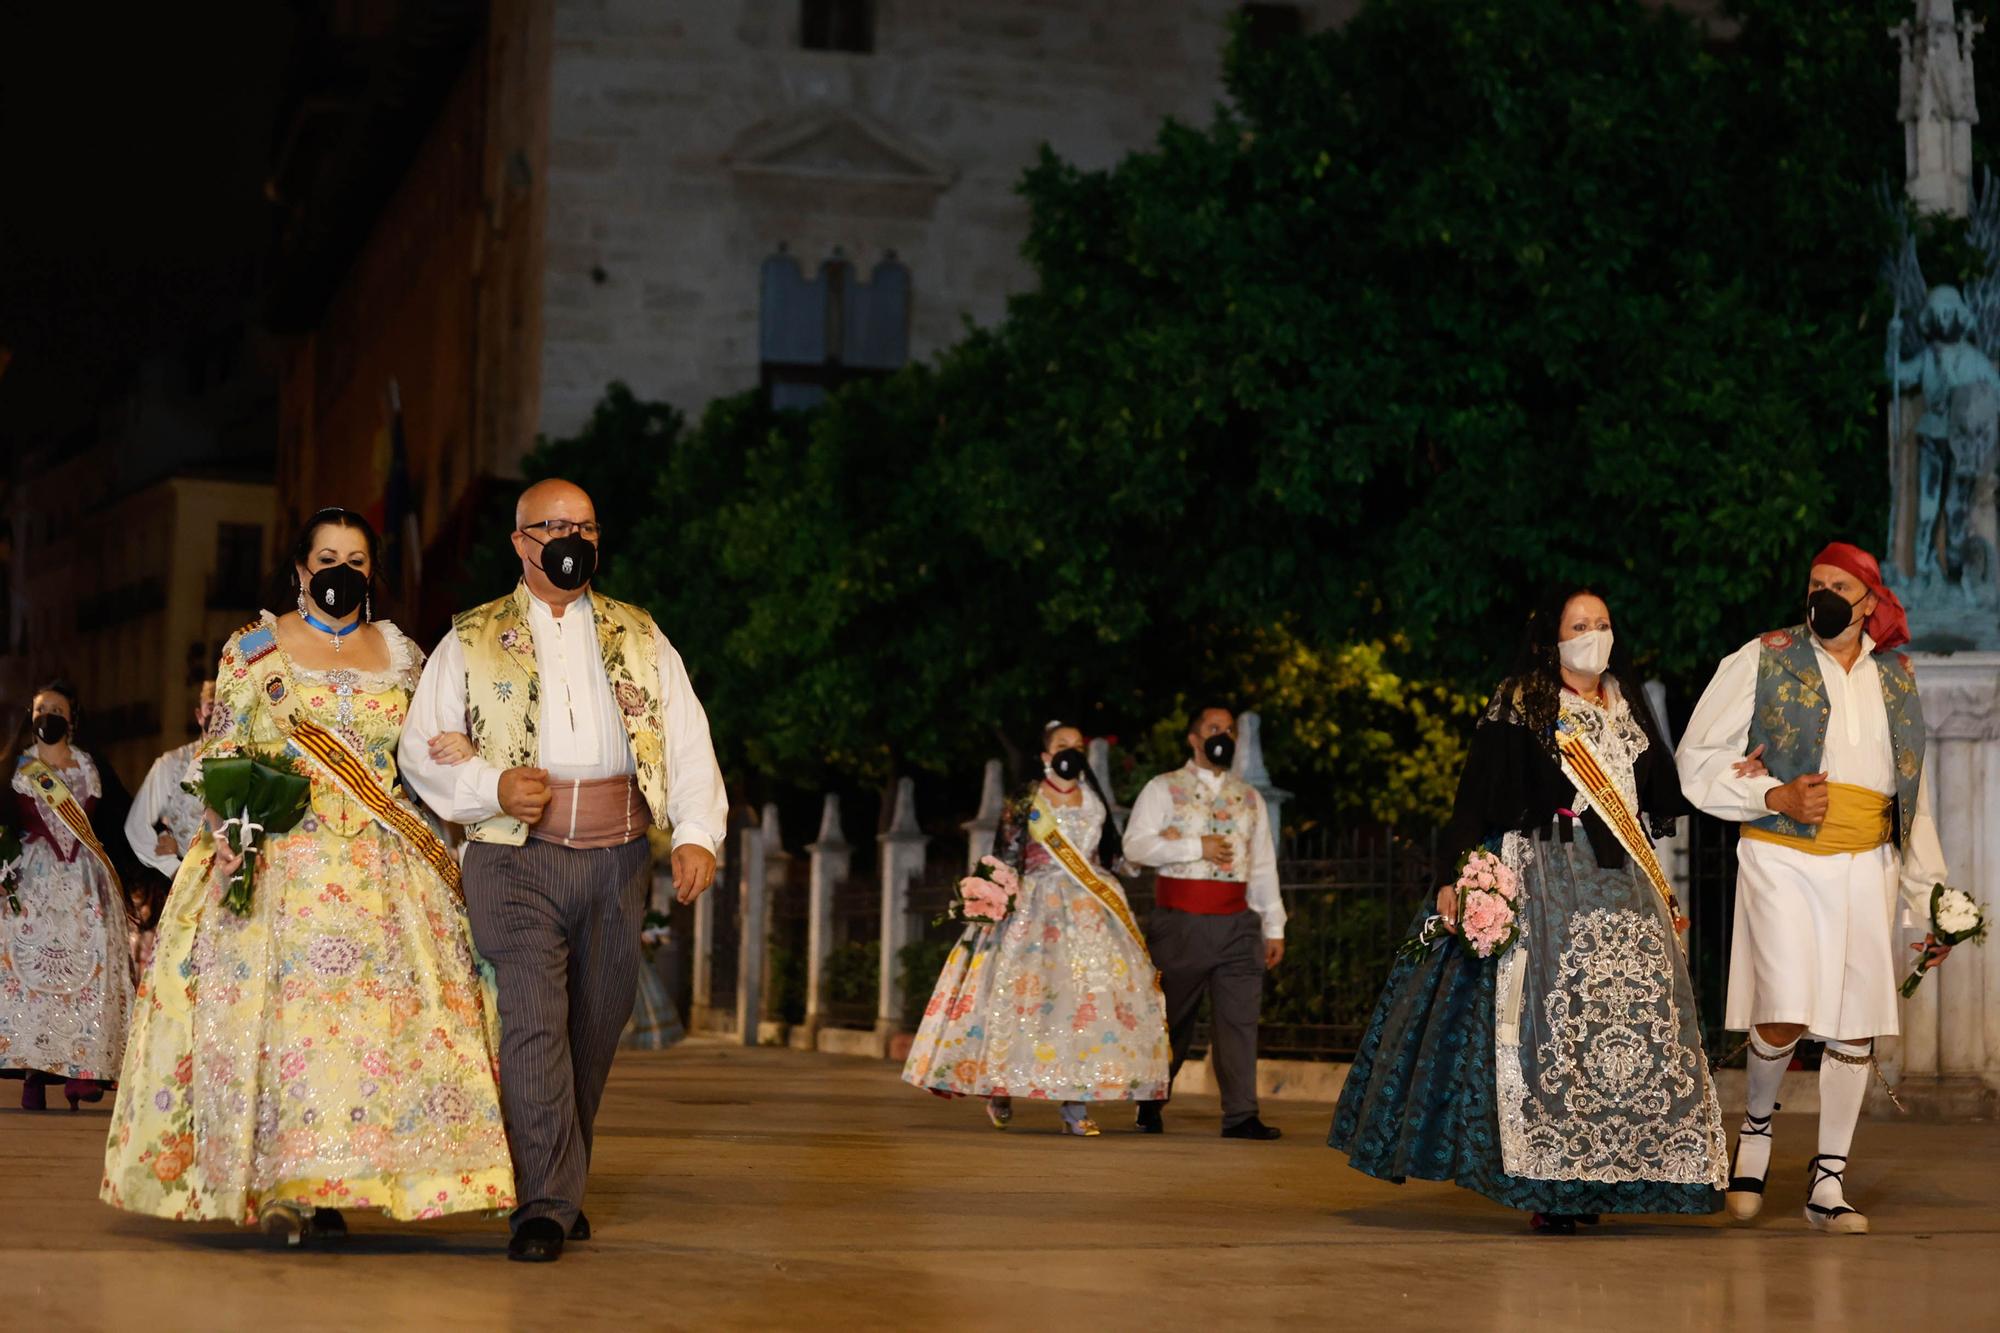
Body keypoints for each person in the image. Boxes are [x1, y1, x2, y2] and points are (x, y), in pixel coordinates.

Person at [101, 508, 515, 1243]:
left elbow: (420, 757)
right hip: (278, 863)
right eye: (326, 556)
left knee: (368, 1033)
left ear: (370, 573)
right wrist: (227, 837)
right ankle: (281, 1186)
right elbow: (220, 755)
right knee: (283, 1027)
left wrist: (458, 744)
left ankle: (359, 1177)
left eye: (356, 560)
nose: (340, 570)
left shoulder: (403, 654)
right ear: (298, 569)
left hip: (387, 872)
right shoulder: (254, 650)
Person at [1329, 588, 1736, 1232]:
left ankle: (1617, 1173)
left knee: (1628, 1022)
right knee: (1550, 1023)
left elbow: (1654, 792)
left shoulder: (1626, 705)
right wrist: (1452, 876)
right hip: (1546, 874)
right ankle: (1551, 1183)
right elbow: (1475, 796)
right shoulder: (1523, 701)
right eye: (1580, 625)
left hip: (1622, 884)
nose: (1594, 635)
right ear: (1552, 638)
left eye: (1603, 623)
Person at [400, 478, 727, 1263]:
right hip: (514, 856)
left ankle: (557, 1172)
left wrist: (698, 833)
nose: (570, 537)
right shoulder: (469, 639)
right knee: (535, 1016)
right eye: (553, 525)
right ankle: (543, 1201)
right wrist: (488, 785)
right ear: (522, 542)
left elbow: (686, 736)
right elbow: (421, 747)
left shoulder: (640, 634)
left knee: (595, 1022)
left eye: (584, 525)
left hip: (617, 858)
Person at [1677, 542, 1952, 1235]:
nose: (1821, 594)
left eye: (1838, 585)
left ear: (1869, 602)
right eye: (1814, 583)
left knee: (1855, 1017)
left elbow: (1913, 795)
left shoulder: (1897, 677)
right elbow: (1695, 758)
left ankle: (1828, 1178)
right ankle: (1758, 1131)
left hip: (1866, 861)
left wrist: (1933, 898)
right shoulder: (1763, 655)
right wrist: (1774, 791)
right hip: (1783, 852)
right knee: (1786, 1004)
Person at [902, 721, 1170, 1135]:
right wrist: (997, 897)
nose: (1071, 752)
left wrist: (1128, 864)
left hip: (1092, 909)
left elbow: (1106, 853)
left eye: (1078, 746)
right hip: (1035, 905)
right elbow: (1006, 852)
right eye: (1063, 745)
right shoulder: (1027, 797)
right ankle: (1000, 1086)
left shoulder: (1095, 797)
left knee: (1086, 1004)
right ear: (1046, 755)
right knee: (1021, 999)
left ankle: (1075, 1106)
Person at [1123, 705, 1285, 1139]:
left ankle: (1241, 1114)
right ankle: (1151, 1099)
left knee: (1239, 1021)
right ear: (1194, 738)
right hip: (1180, 923)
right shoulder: (1163, 788)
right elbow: (1135, 846)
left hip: (1238, 923)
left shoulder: (1249, 797)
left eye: (1230, 730)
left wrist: (1274, 926)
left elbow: (1264, 865)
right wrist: (1196, 845)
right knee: (1172, 1020)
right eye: (1214, 729)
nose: (1223, 736)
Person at [1, 679, 137, 1111]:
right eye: (41, 710)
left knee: (90, 968)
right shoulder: (16, 769)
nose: (48, 718)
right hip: (31, 883)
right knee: (29, 974)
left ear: (72, 720)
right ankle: (33, 1072)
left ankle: (84, 1067)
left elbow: (123, 820)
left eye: (57, 710)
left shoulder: (91, 768)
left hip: (86, 883)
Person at [122, 680, 215, 884]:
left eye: (226, 707)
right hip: (184, 883)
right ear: (199, 715)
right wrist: (174, 869)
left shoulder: (250, 761)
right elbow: (137, 825)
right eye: (212, 707)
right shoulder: (173, 763)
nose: (219, 714)